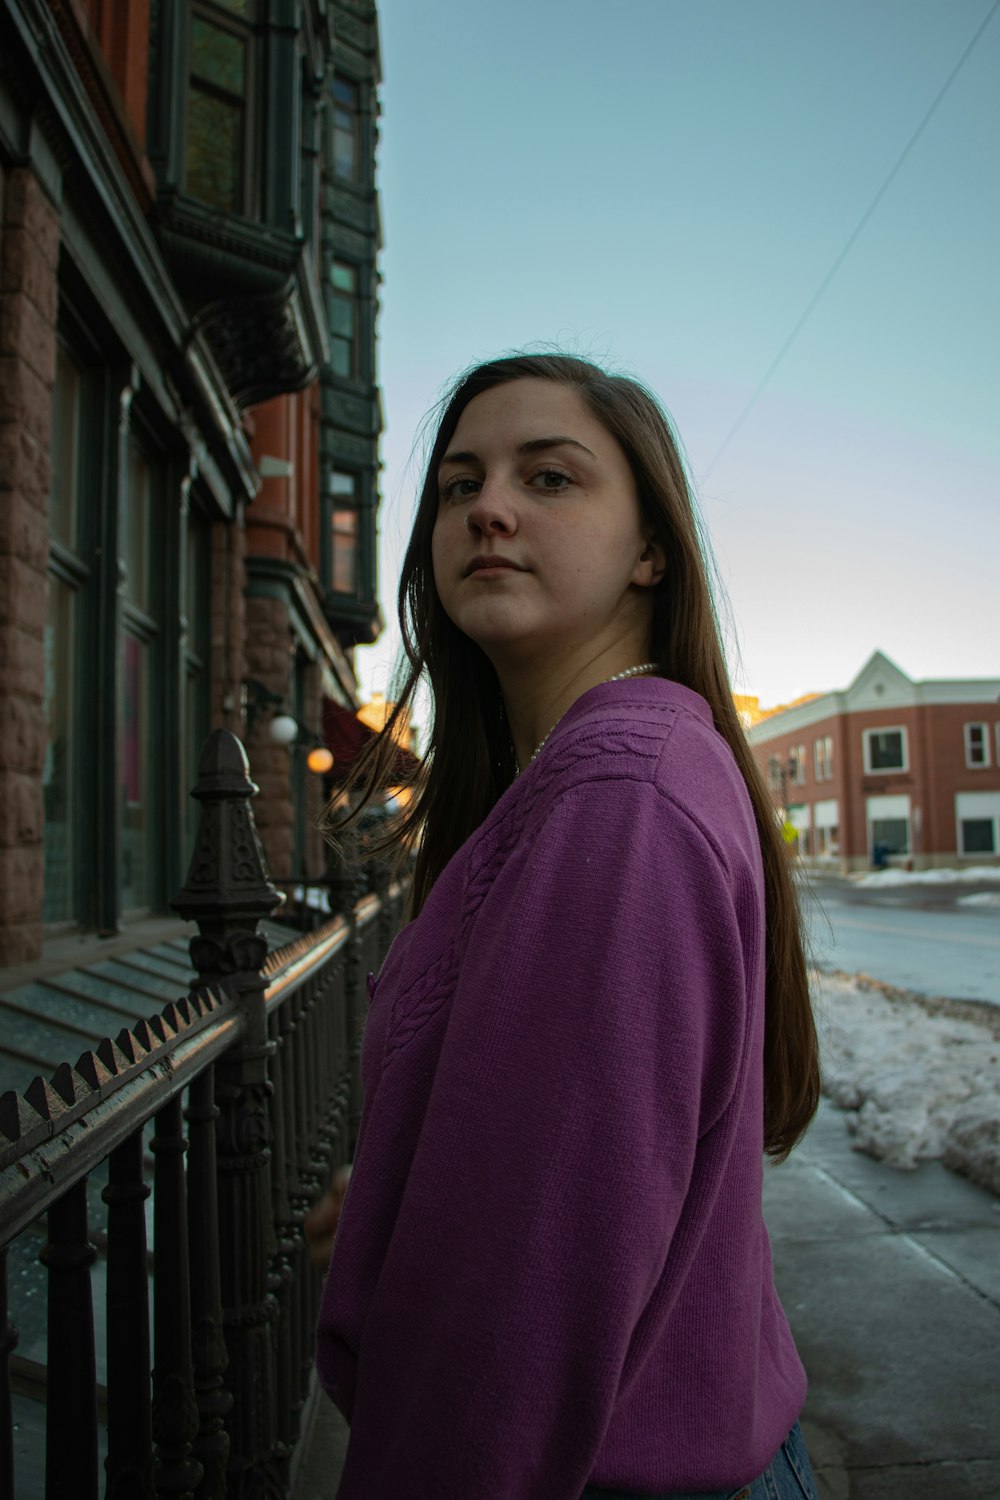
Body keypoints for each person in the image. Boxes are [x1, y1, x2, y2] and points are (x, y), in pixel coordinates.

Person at [310, 353, 821, 1500]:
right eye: (457, 485)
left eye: (549, 478)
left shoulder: (617, 795)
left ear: (651, 552)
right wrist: (407, 1202)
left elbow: (516, 1316)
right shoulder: (584, 777)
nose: (486, 505)